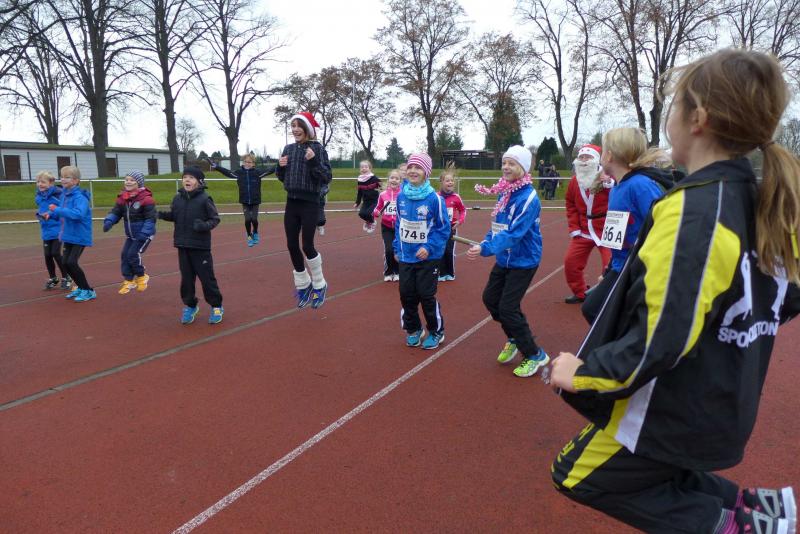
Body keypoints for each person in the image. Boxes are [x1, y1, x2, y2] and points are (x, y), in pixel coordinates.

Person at [549, 49, 799, 534]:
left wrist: (585, 375)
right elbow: (785, 299)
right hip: (722, 394)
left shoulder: (695, 211)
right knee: (664, 475)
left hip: (672, 403)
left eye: (674, 106)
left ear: (697, 118)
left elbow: (661, 336)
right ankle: (758, 512)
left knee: (576, 473)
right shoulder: (767, 202)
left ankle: (745, 526)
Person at [468, 145, 549, 378]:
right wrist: (486, 242)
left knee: (508, 308)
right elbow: (497, 227)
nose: (506, 167)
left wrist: (486, 248)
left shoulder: (529, 198)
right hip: (505, 258)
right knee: (490, 299)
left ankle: (534, 354)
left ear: (523, 168)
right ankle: (514, 337)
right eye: (504, 162)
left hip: (524, 261)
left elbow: (514, 233)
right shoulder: (505, 192)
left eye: (512, 163)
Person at [580, 127, 673, 324]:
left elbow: (663, 227)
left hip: (638, 269)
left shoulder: (640, 186)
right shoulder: (617, 187)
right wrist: (609, 270)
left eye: (602, 151)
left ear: (609, 156)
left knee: (595, 310)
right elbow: (617, 236)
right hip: (620, 267)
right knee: (593, 309)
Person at [393, 153, 450, 350]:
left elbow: (443, 228)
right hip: (406, 256)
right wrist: (396, 247)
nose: (413, 171)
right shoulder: (401, 196)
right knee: (406, 295)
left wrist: (428, 247)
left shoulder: (435, 199)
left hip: (428, 258)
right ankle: (414, 329)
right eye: (410, 167)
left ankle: (436, 331)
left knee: (426, 295)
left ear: (426, 172)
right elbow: (399, 224)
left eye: (418, 168)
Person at [276, 111, 332, 309]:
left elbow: (326, 177)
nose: (295, 129)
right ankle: (303, 285)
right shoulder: (288, 149)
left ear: (307, 128)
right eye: (293, 126)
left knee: (307, 246)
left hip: (310, 203)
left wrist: (314, 161)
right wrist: (280, 167)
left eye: (299, 126)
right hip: (291, 202)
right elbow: (282, 177)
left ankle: (319, 284)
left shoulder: (317, 148)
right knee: (292, 245)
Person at [157, 167, 224, 324]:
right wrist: (160, 215)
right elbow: (174, 216)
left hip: (200, 248)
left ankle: (216, 306)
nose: (187, 180)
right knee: (186, 280)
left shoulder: (205, 199)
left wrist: (203, 226)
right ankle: (191, 305)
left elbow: (215, 219)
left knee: (207, 279)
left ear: (199, 182)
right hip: (183, 246)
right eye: (185, 177)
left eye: (191, 178)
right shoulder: (177, 199)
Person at [563, 144, 612, 304]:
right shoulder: (574, 181)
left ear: (596, 160)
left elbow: (619, 195)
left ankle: (608, 296)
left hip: (605, 229)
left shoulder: (608, 177)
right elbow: (570, 204)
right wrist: (574, 227)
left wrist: (610, 183)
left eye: (588, 157)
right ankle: (580, 292)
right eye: (581, 157)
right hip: (583, 229)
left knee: (610, 265)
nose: (584, 160)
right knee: (571, 263)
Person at [45, 166, 95, 302]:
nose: (63, 179)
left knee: (72, 262)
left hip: (79, 235)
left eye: (67, 177)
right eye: (62, 176)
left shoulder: (80, 197)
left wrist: (57, 209)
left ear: (76, 180)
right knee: (65, 263)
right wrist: (50, 214)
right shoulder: (64, 195)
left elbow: (78, 214)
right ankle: (80, 287)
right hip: (68, 234)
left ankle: (88, 290)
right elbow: (62, 213)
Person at [103, 170, 156, 294]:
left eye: (132, 180)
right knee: (124, 255)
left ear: (139, 183)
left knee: (133, 254)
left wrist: (144, 233)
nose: (128, 182)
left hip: (144, 234)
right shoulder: (123, 198)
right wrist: (109, 221)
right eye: (126, 179)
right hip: (131, 235)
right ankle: (129, 280)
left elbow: (150, 219)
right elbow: (116, 212)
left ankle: (142, 276)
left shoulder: (146, 199)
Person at [211, 154, 275, 247]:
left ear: (253, 163)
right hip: (244, 200)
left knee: (254, 219)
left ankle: (255, 232)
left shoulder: (257, 173)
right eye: (245, 162)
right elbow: (228, 172)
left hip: (255, 200)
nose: (247, 164)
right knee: (248, 219)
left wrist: (280, 164)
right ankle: (249, 236)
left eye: (249, 162)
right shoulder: (239, 173)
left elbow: (269, 171)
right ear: (243, 162)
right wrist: (217, 167)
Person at [34, 170, 69, 290]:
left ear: (51, 183)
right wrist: (40, 214)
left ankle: (66, 277)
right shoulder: (39, 196)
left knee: (55, 253)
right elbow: (41, 208)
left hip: (58, 228)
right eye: (38, 182)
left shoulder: (57, 195)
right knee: (47, 255)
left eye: (43, 182)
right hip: (46, 228)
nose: (40, 184)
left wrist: (50, 213)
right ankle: (53, 278)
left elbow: (62, 209)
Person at [437, 162, 466, 281]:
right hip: (439, 228)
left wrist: (460, 220)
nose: (450, 183)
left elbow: (463, 210)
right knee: (440, 250)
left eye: (452, 181)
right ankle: (441, 273)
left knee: (449, 250)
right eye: (447, 181)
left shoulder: (456, 197)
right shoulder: (436, 196)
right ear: (441, 182)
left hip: (451, 228)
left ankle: (450, 273)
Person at [373, 168, 402, 281]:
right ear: (388, 179)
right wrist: (376, 212)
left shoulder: (403, 195)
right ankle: (388, 272)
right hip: (387, 227)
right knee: (389, 249)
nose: (394, 180)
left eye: (397, 178)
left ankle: (397, 271)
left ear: (400, 181)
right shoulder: (383, 195)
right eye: (392, 178)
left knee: (398, 250)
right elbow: (378, 208)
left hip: (399, 227)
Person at [354, 159, 381, 233]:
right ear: (360, 169)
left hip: (374, 201)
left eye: (366, 167)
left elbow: (381, 186)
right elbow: (359, 192)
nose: (364, 168)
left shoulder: (374, 178)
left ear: (370, 168)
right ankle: (368, 221)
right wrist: (357, 202)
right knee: (361, 214)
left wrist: (382, 189)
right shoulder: (360, 180)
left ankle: (372, 222)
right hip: (366, 201)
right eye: (362, 167)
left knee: (368, 213)